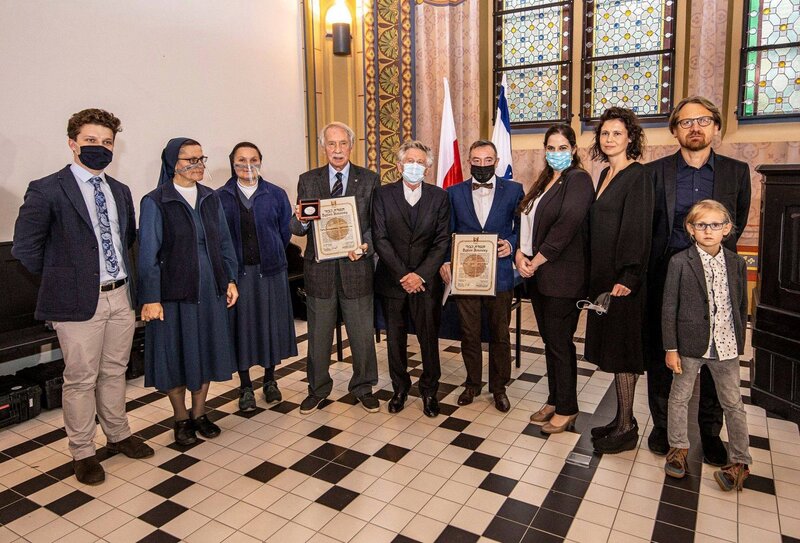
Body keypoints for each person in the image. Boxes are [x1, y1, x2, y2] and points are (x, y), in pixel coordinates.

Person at [12, 108, 153, 485]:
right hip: (77, 302)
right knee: (79, 379)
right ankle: (83, 451)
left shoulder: (120, 191)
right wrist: (65, 279)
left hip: (120, 296)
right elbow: (25, 248)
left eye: (107, 142)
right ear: (73, 144)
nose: (100, 148)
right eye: (91, 141)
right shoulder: (47, 188)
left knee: (114, 372)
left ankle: (118, 434)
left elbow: (128, 242)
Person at [645, 96, 752, 464]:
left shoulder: (736, 173)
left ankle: (710, 432)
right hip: (667, 274)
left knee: (716, 354)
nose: (695, 128)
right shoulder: (655, 172)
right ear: (675, 129)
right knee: (665, 353)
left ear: (716, 127)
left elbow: (736, 222)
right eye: (687, 122)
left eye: (703, 121)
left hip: (716, 275)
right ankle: (663, 426)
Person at [138, 138, 239, 446]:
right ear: (173, 163)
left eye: (200, 159)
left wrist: (230, 279)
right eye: (189, 160)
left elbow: (223, 242)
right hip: (173, 291)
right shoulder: (156, 200)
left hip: (210, 288)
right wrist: (151, 297)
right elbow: (147, 254)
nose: (197, 165)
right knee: (177, 355)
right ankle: (181, 418)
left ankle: (200, 413)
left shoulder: (211, 197)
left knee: (206, 350)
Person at [290, 122, 381, 414]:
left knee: (362, 335)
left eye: (343, 143)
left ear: (351, 146)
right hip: (320, 272)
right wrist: (301, 220)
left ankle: (364, 387)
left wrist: (365, 245)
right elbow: (298, 228)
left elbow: (376, 226)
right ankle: (317, 389)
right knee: (318, 336)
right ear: (323, 147)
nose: (337, 150)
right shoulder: (308, 180)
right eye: (331, 144)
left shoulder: (369, 180)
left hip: (357, 269)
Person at [662, 200, 751, 491]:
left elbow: (740, 305)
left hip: (725, 345)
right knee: (679, 397)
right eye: (701, 225)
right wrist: (670, 347)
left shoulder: (736, 263)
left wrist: (739, 342)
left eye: (715, 225)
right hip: (689, 345)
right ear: (691, 229)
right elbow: (669, 306)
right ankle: (678, 450)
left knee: (733, 404)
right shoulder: (679, 262)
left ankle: (739, 461)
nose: (708, 231)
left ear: (726, 229)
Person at [516, 124, 594, 433]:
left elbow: (566, 227)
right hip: (539, 276)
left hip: (563, 278)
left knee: (561, 343)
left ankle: (567, 407)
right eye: (551, 148)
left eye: (562, 148)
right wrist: (520, 256)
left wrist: (534, 261)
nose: (556, 153)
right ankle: (554, 398)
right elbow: (526, 221)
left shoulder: (578, 180)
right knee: (550, 342)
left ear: (573, 150)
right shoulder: (547, 180)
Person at [585, 107, 654, 454]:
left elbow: (637, 228)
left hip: (623, 283)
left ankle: (626, 427)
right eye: (605, 133)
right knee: (612, 349)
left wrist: (629, 275)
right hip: (603, 278)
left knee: (624, 352)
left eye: (617, 133)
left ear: (630, 138)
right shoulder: (604, 176)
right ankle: (620, 417)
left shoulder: (638, 176)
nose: (609, 139)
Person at [440, 140, 524, 413]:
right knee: (469, 333)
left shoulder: (514, 190)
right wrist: (445, 261)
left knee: (500, 333)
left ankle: (499, 388)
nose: (483, 165)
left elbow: (521, 228)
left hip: (499, 274)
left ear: (497, 161)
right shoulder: (453, 192)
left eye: (488, 160)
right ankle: (472, 383)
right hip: (467, 275)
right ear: (469, 161)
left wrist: (511, 245)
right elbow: (447, 232)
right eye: (477, 160)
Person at [372, 141, 450, 417]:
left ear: (428, 168)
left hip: (426, 282)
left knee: (429, 338)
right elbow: (380, 238)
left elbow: (441, 242)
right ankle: (400, 388)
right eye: (409, 161)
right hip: (393, 281)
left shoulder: (440, 198)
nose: (414, 166)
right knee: (395, 339)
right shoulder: (381, 195)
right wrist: (404, 274)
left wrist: (420, 275)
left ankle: (429, 391)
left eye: (420, 162)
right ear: (399, 165)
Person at [218, 142, 297, 411]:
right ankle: (245, 386)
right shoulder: (219, 196)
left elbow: (285, 232)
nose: (247, 164)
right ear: (232, 163)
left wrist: (271, 250)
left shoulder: (275, 194)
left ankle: (270, 380)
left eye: (253, 159)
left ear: (261, 162)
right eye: (241, 160)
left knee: (269, 328)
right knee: (242, 329)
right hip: (238, 276)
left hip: (270, 273)